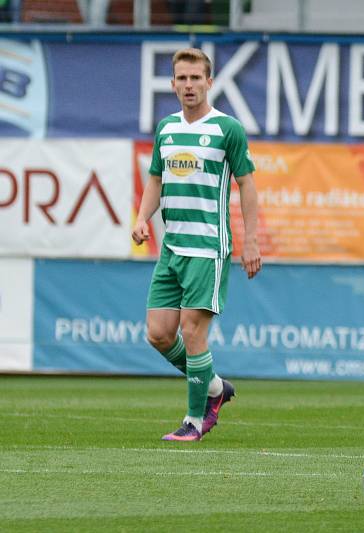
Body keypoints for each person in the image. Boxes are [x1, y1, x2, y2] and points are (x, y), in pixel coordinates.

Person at [132, 47, 262, 442]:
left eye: (195, 78)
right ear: (172, 84)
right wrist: (142, 217)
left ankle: (193, 421)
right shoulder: (167, 129)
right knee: (158, 333)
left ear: (209, 81)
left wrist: (251, 240)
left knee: (192, 333)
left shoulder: (227, 129)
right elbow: (156, 178)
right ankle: (215, 387)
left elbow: (247, 183)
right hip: (172, 247)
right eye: (181, 79)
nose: (188, 85)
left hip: (208, 247)